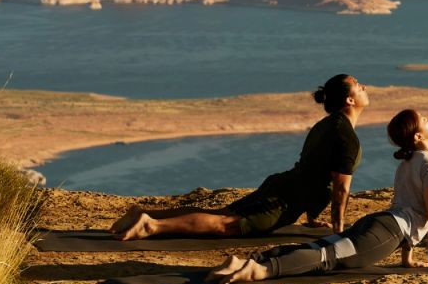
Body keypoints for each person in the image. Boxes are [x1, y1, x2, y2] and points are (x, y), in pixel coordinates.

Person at [204, 107, 428, 283]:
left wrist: (408, 260)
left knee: (319, 246)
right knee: (325, 257)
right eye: (423, 118)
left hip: (380, 223)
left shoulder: (407, 164)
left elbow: (406, 208)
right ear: (418, 136)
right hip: (387, 231)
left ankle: (250, 261)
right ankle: (258, 271)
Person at [112, 74, 367, 240]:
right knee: (227, 225)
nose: (364, 87)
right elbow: (340, 189)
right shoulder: (346, 136)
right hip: (283, 200)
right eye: (358, 86)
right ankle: (151, 226)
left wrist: (311, 219)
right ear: (349, 99)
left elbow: (315, 168)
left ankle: (145, 213)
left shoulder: (327, 125)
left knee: (220, 213)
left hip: (282, 185)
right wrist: (339, 232)